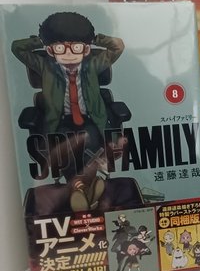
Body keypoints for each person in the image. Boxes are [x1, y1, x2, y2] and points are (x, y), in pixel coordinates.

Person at [12, 11, 125, 211]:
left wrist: (94, 38)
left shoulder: (93, 65)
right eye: (60, 47)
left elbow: (118, 46)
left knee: (91, 142)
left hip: (90, 119)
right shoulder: (45, 66)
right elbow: (17, 48)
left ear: (86, 49)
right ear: (50, 49)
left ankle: (79, 190)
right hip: (60, 121)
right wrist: (41, 40)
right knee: (66, 147)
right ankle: (86, 190)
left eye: (76, 46)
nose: (69, 53)